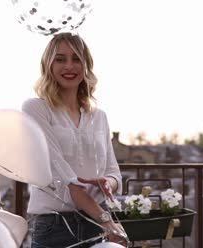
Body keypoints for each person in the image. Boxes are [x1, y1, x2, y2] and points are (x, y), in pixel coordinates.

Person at [22, 32, 126, 248]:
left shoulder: (99, 116)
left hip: (96, 225)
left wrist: (108, 183)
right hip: (55, 228)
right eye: (60, 59)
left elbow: (114, 172)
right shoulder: (35, 109)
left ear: (86, 65)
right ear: (48, 65)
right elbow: (65, 178)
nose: (69, 66)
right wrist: (107, 221)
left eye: (76, 59)